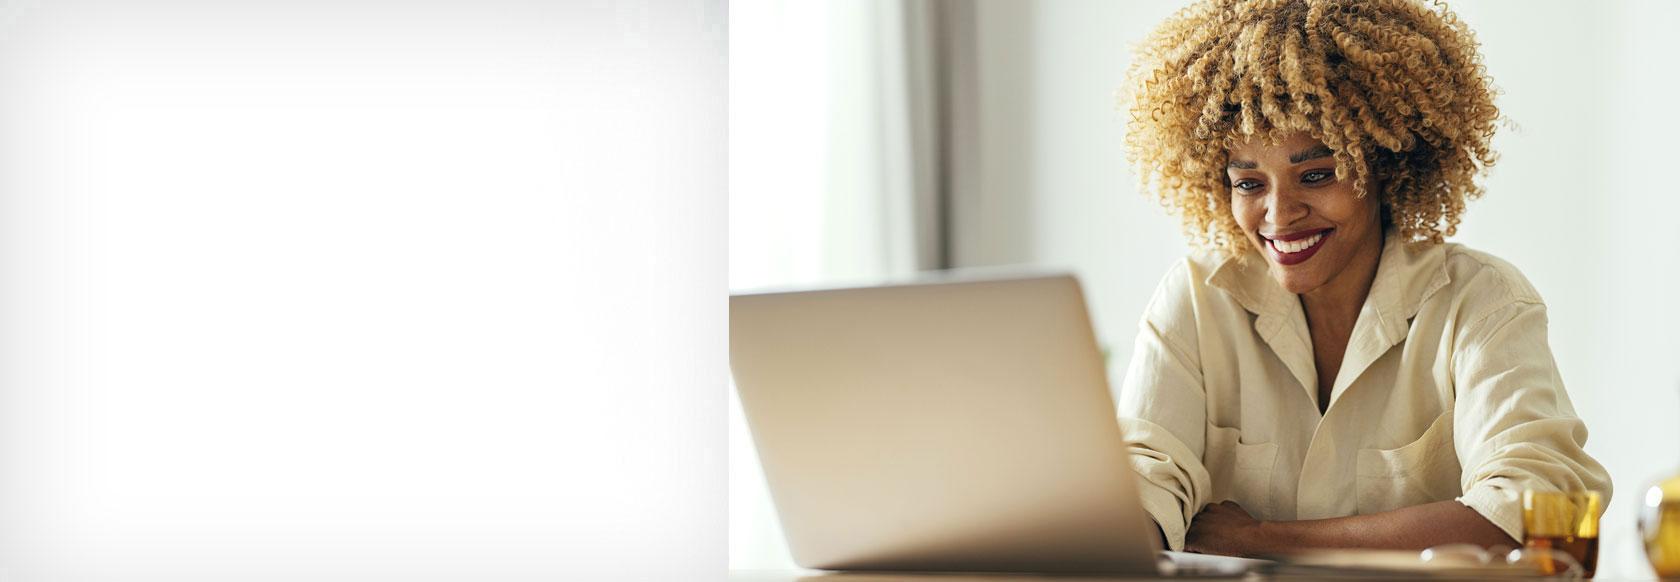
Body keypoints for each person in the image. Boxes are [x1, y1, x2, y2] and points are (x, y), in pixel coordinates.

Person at [1116, 0, 1612, 557]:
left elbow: (1539, 509)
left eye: (1316, 174)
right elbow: (1145, 474)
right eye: (1250, 184)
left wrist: (1270, 540)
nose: (1279, 215)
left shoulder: (1480, 301)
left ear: (1386, 163)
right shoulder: (1197, 300)